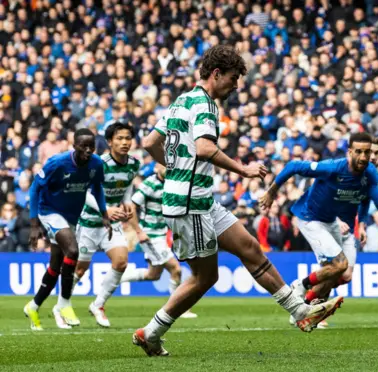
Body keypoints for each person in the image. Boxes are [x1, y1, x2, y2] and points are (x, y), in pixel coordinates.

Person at [137, 45, 342, 356]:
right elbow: (205, 148)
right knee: (206, 277)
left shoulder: (182, 100)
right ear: (216, 74)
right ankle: (151, 332)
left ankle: (300, 312)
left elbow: (151, 142)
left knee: (249, 247)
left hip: (200, 199)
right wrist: (243, 169)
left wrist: (172, 167)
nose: (235, 86)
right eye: (232, 79)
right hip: (190, 204)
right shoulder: (205, 105)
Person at [260, 133, 378, 315]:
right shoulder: (332, 168)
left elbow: (375, 198)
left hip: (331, 221)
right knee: (339, 265)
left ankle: (303, 308)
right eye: (359, 152)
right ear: (349, 152)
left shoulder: (370, 173)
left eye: (367, 152)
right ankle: (299, 286)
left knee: (343, 274)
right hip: (310, 218)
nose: (364, 157)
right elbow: (293, 166)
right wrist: (271, 192)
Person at [24, 129, 110, 330]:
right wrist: (34, 225)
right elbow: (35, 188)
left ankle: (33, 306)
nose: (88, 150)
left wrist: (104, 214)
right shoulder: (57, 163)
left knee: (55, 267)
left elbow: (97, 188)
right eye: (83, 146)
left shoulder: (97, 164)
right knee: (73, 250)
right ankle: (64, 304)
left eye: (91, 146)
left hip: (71, 216)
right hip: (49, 211)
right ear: (74, 146)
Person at [72, 122, 140, 328]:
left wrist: (127, 202)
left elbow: (126, 187)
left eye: (127, 138)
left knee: (120, 262)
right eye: (119, 138)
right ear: (109, 142)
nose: (124, 142)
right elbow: (85, 191)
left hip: (112, 224)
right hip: (90, 222)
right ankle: (62, 303)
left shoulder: (134, 164)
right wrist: (105, 210)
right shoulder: (97, 163)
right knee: (80, 269)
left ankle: (98, 304)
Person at [120, 163, 197, 319]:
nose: (167, 168)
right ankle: (177, 309)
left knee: (153, 274)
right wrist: (139, 231)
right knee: (176, 269)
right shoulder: (149, 183)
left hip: (161, 234)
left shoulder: (172, 183)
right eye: (163, 165)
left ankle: (119, 277)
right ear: (157, 168)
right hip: (151, 235)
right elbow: (131, 207)